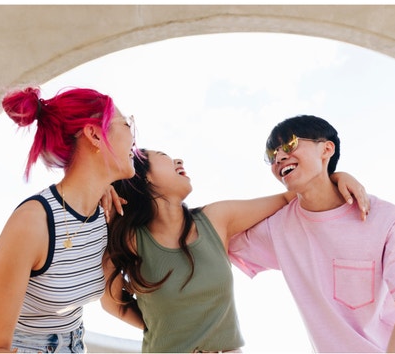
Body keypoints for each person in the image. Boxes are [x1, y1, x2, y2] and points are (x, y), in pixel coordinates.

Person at [101, 147, 369, 353]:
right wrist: (159, 325)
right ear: (142, 177)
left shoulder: (217, 218)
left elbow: (291, 198)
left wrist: (335, 176)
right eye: (164, 157)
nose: (179, 161)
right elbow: (112, 304)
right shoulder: (128, 239)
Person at [228, 115, 395, 352]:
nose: (280, 157)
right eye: (271, 155)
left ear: (326, 149)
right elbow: (215, 236)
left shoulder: (391, 221)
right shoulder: (278, 229)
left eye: (290, 144)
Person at [0, 86, 136, 353]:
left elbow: (115, 299)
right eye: (126, 122)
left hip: (75, 343)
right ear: (95, 134)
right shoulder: (33, 224)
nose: (133, 134)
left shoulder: (106, 212)